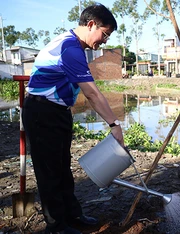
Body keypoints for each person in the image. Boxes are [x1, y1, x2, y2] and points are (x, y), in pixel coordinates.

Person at [22, 4, 124, 234]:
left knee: (62, 167)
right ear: (91, 25)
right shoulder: (69, 48)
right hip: (42, 113)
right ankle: (56, 226)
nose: (105, 41)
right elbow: (92, 93)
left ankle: (72, 215)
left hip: (57, 112)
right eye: (105, 34)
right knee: (49, 171)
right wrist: (115, 125)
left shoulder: (74, 46)